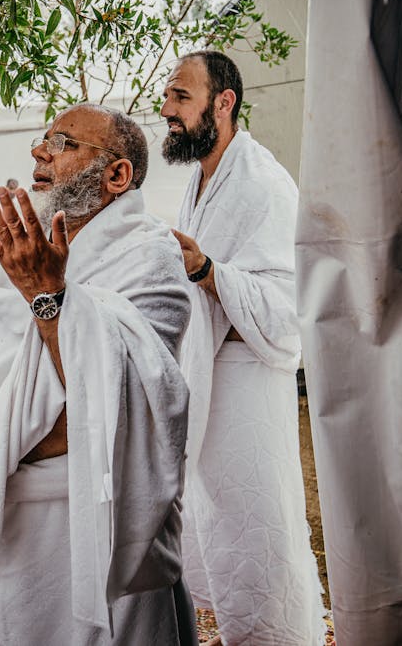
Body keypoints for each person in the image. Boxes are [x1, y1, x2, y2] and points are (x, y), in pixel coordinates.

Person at [0, 103, 195, 645]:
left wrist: (48, 294)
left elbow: (123, 400)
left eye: (61, 143)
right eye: (42, 140)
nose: (39, 152)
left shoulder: (150, 257)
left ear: (117, 174)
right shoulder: (28, 253)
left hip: (100, 519)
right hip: (16, 520)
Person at [159, 51, 325, 645]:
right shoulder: (202, 180)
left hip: (250, 392)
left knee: (264, 543)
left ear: (223, 103)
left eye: (181, 96)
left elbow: (289, 311)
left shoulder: (264, 183)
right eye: (168, 96)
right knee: (226, 541)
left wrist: (208, 271)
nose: (167, 109)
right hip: (210, 392)